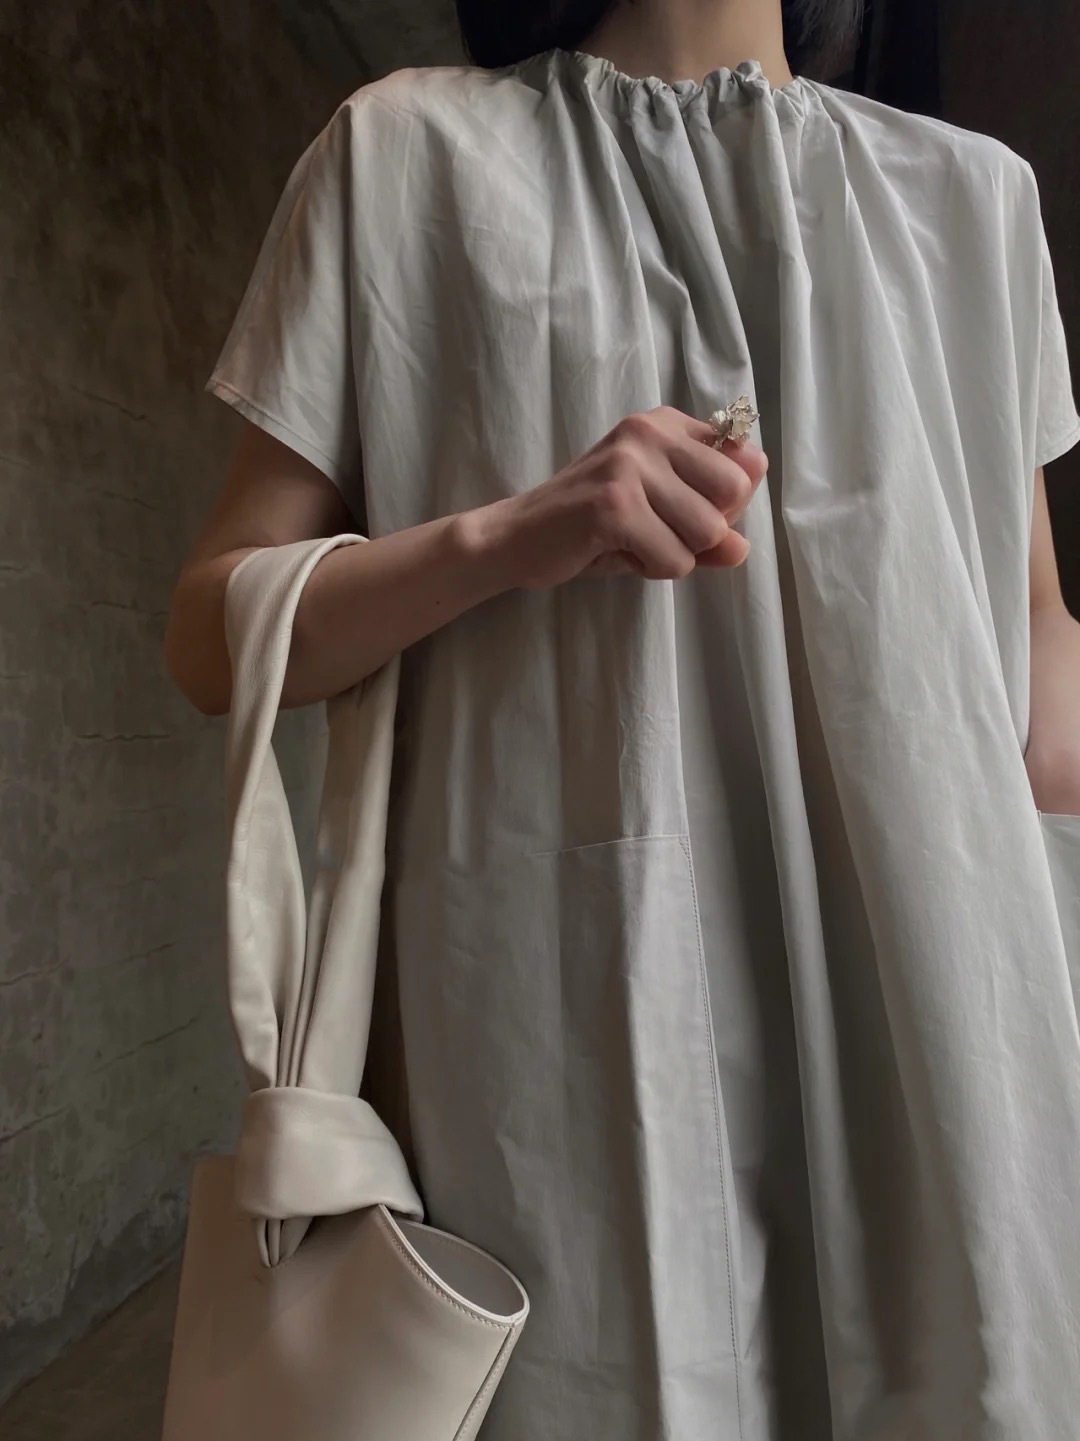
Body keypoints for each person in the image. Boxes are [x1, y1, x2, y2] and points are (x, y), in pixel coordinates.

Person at [164, 1, 1080, 1436]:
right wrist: (508, 535)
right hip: (562, 1032)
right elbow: (212, 634)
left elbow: (1039, 649)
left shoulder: (974, 202)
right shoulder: (404, 157)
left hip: (942, 1006)